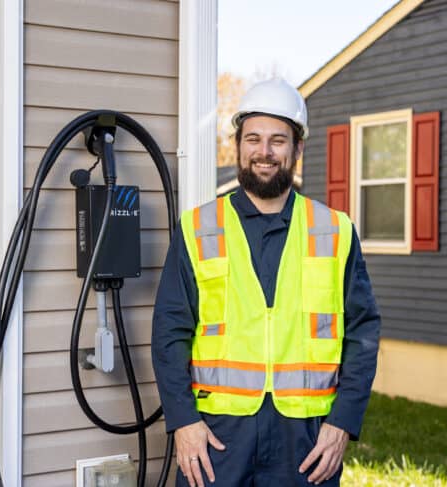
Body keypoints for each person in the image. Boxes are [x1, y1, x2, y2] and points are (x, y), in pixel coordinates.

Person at [151, 78, 381, 486]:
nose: (264, 152)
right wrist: (183, 421)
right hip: (217, 436)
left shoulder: (335, 230)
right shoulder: (198, 229)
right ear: (237, 147)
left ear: (297, 149)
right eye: (253, 138)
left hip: (307, 437)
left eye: (278, 140)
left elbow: (362, 334)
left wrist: (342, 423)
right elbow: (169, 334)